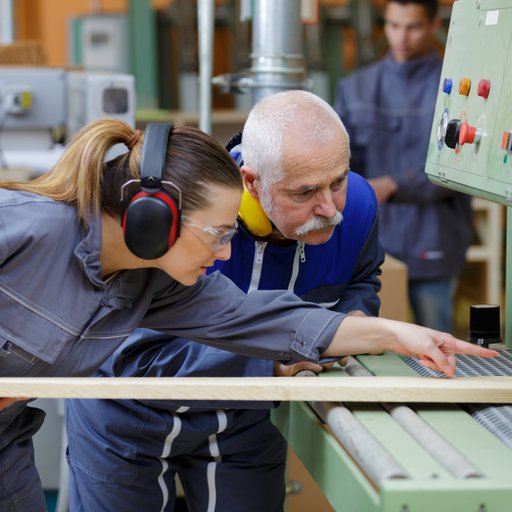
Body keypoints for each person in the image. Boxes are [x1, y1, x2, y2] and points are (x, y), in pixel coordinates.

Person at [0, 114, 493, 511]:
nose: (223, 255)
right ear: (155, 219)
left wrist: (396, 335)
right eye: (217, 234)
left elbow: (260, 318)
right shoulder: (29, 227)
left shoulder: (153, 284)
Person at [64, 90, 385, 512]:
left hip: (248, 416)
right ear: (251, 182)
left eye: (338, 181)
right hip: (129, 412)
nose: (329, 207)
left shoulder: (356, 207)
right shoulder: (175, 215)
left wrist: (352, 319)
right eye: (304, 192)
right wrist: (267, 363)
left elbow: (362, 279)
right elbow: (128, 352)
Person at [334, 0, 472, 332]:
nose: (401, 37)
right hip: (372, 244)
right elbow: (338, 164)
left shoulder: (455, 89)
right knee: (371, 345)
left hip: (435, 235)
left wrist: (395, 185)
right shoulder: (356, 88)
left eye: (413, 27)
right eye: (394, 26)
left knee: (436, 341)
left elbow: (459, 166)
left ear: (434, 24)